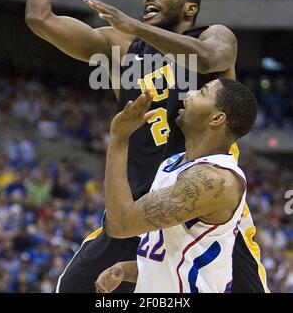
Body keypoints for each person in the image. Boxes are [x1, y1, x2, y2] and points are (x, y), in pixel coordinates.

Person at [25, 0, 268, 293]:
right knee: (74, 286)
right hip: (137, 209)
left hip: (204, 208)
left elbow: (211, 57)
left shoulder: (213, 36)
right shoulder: (121, 47)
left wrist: (134, 26)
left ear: (190, 8)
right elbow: (40, 19)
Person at [95, 80, 258, 293]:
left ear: (217, 118)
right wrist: (125, 270)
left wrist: (119, 138)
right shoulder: (174, 163)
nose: (189, 93)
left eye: (202, 92)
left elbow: (120, 224)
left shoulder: (215, 181)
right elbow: (175, 258)